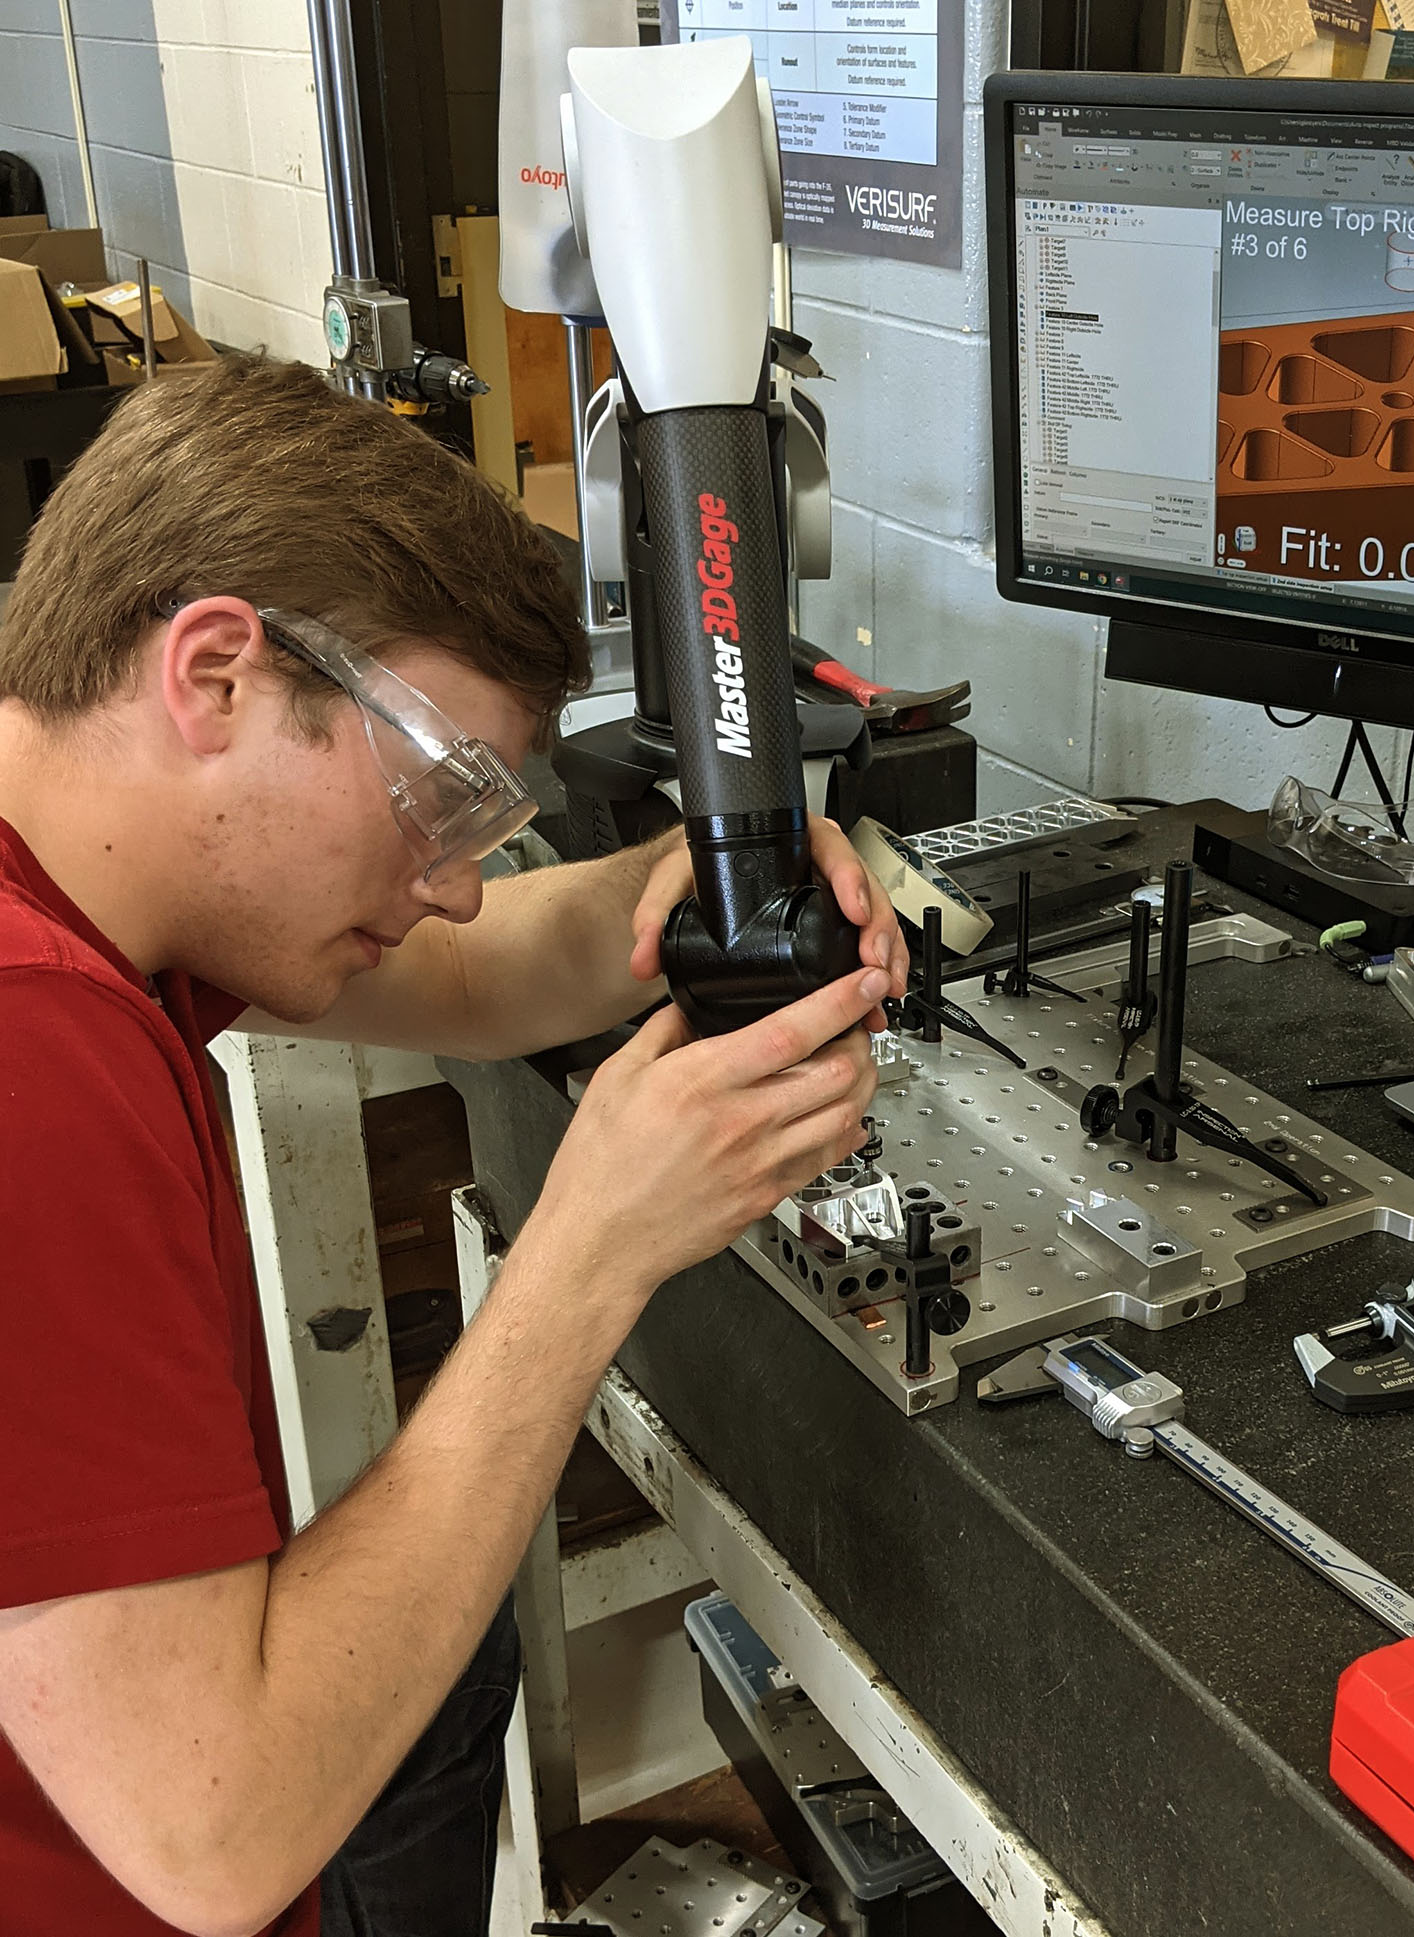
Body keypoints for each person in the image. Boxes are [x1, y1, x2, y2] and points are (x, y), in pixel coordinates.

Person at [0, 354, 906, 1937]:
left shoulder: (82, 872)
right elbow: (220, 1839)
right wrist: (591, 1244)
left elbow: (485, 973)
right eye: (437, 796)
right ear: (214, 675)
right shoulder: (35, 1064)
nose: (459, 883)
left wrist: (717, 877)